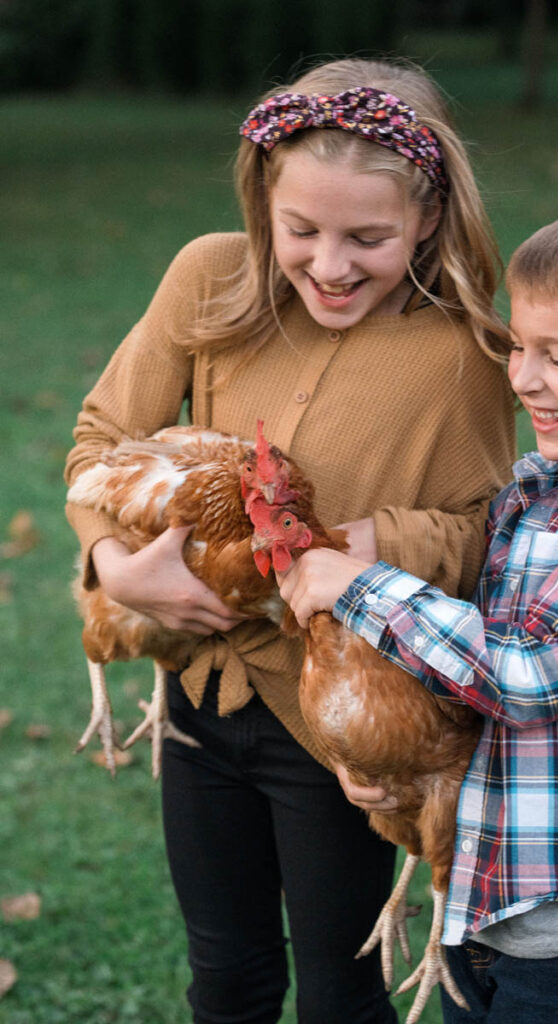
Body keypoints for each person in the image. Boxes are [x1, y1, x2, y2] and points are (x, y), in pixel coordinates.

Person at [64, 58, 515, 1024]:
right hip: (200, 697)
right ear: (263, 201)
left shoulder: (462, 353)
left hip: (342, 725)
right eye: (300, 230)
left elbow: (488, 532)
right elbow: (100, 440)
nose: (330, 264)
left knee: (341, 989)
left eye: (368, 237)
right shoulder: (210, 279)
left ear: (429, 219)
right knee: (224, 975)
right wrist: (115, 566)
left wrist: (360, 543)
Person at [277, 200, 558, 1024]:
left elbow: (530, 674)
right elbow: (468, 674)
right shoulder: (534, 493)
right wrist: (400, 770)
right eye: (517, 348)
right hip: (485, 891)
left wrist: (358, 585)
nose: (524, 378)